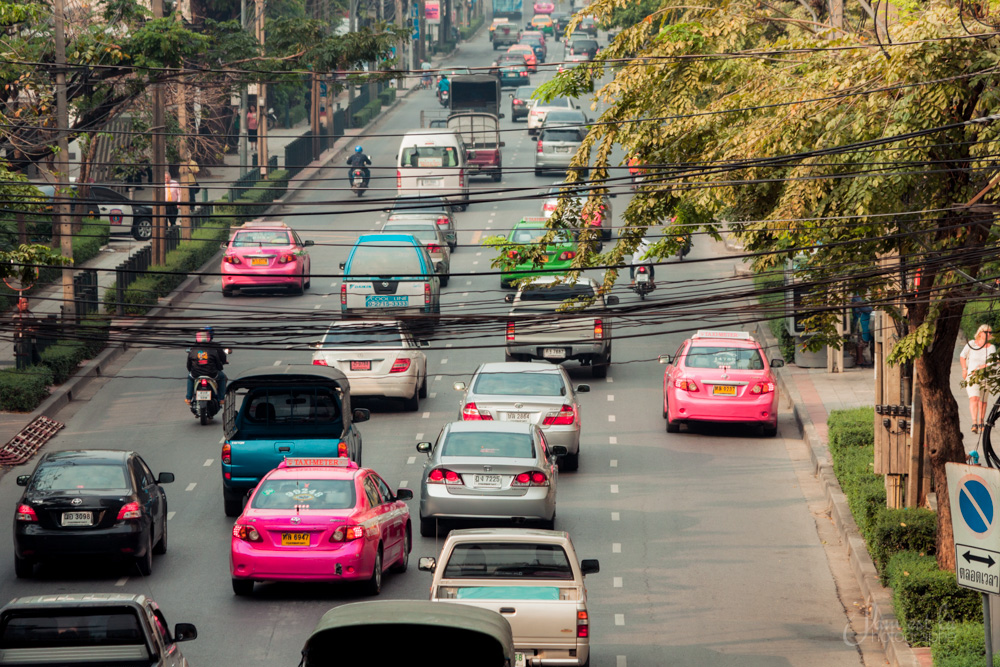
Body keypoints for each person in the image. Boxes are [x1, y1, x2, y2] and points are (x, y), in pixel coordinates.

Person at [960, 324, 997, 434]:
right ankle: (974, 422)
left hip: (986, 377)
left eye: (990, 332)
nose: (989, 334)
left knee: (983, 401)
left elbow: (992, 363)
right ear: (980, 333)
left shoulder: (991, 347)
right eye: (986, 332)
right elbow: (962, 356)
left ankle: (981, 421)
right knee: (974, 398)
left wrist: (981, 368)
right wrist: (964, 369)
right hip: (972, 377)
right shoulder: (971, 344)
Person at [185, 327, 228, 405]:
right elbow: (218, 363)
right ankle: (221, 399)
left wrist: (191, 371)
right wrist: (220, 368)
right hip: (212, 374)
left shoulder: (193, 349)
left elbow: (188, 365)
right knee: (222, 377)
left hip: (196, 374)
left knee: (190, 377)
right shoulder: (213, 349)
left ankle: (188, 398)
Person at [851, 294, 873, 367]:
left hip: (868, 321)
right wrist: (872, 309)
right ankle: (860, 360)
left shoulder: (867, 294)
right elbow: (866, 309)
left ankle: (870, 359)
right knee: (861, 342)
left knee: (870, 341)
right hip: (861, 321)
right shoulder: (858, 296)